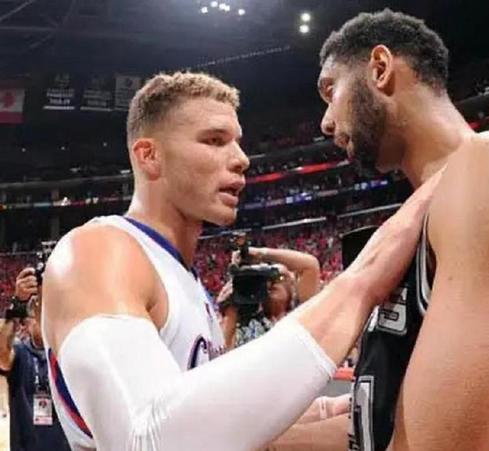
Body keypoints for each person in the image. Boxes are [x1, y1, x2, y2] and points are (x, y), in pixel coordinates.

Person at [41, 71, 441, 451]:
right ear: (149, 156)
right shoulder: (97, 250)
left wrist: (327, 412)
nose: (241, 159)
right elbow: (146, 439)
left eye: (237, 142)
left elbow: (199, 422)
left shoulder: (186, 280)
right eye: (215, 141)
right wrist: (362, 280)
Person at [283, 10, 489, 451]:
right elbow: (382, 429)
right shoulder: (428, 211)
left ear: (380, 69)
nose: (325, 122)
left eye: (331, 92)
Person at [0, 268, 70, 451]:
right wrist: (17, 304)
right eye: (36, 314)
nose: (41, 319)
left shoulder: (65, 353)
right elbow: (2, 355)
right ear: (25, 324)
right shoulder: (21, 353)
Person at [218, 246, 321, 349]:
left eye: (279, 277)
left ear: (292, 286)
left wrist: (260, 253)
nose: (271, 283)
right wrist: (230, 310)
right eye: (266, 279)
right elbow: (223, 353)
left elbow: (310, 265)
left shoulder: (301, 314)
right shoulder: (247, 324)